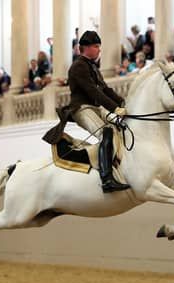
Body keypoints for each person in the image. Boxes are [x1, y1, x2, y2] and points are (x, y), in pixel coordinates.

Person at [42, 31, 130, 193]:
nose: (99, 50)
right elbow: (92, 91)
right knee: (106, 133)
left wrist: (124, 102)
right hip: (82, 108)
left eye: (99, 47)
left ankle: (118, 167)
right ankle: (106, 179)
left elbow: (106, 90)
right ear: (86, 48)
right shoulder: (78, 67)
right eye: (96, 46)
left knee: (119, 129)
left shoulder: (92, 67)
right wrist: (115, 108)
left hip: (95, 108)